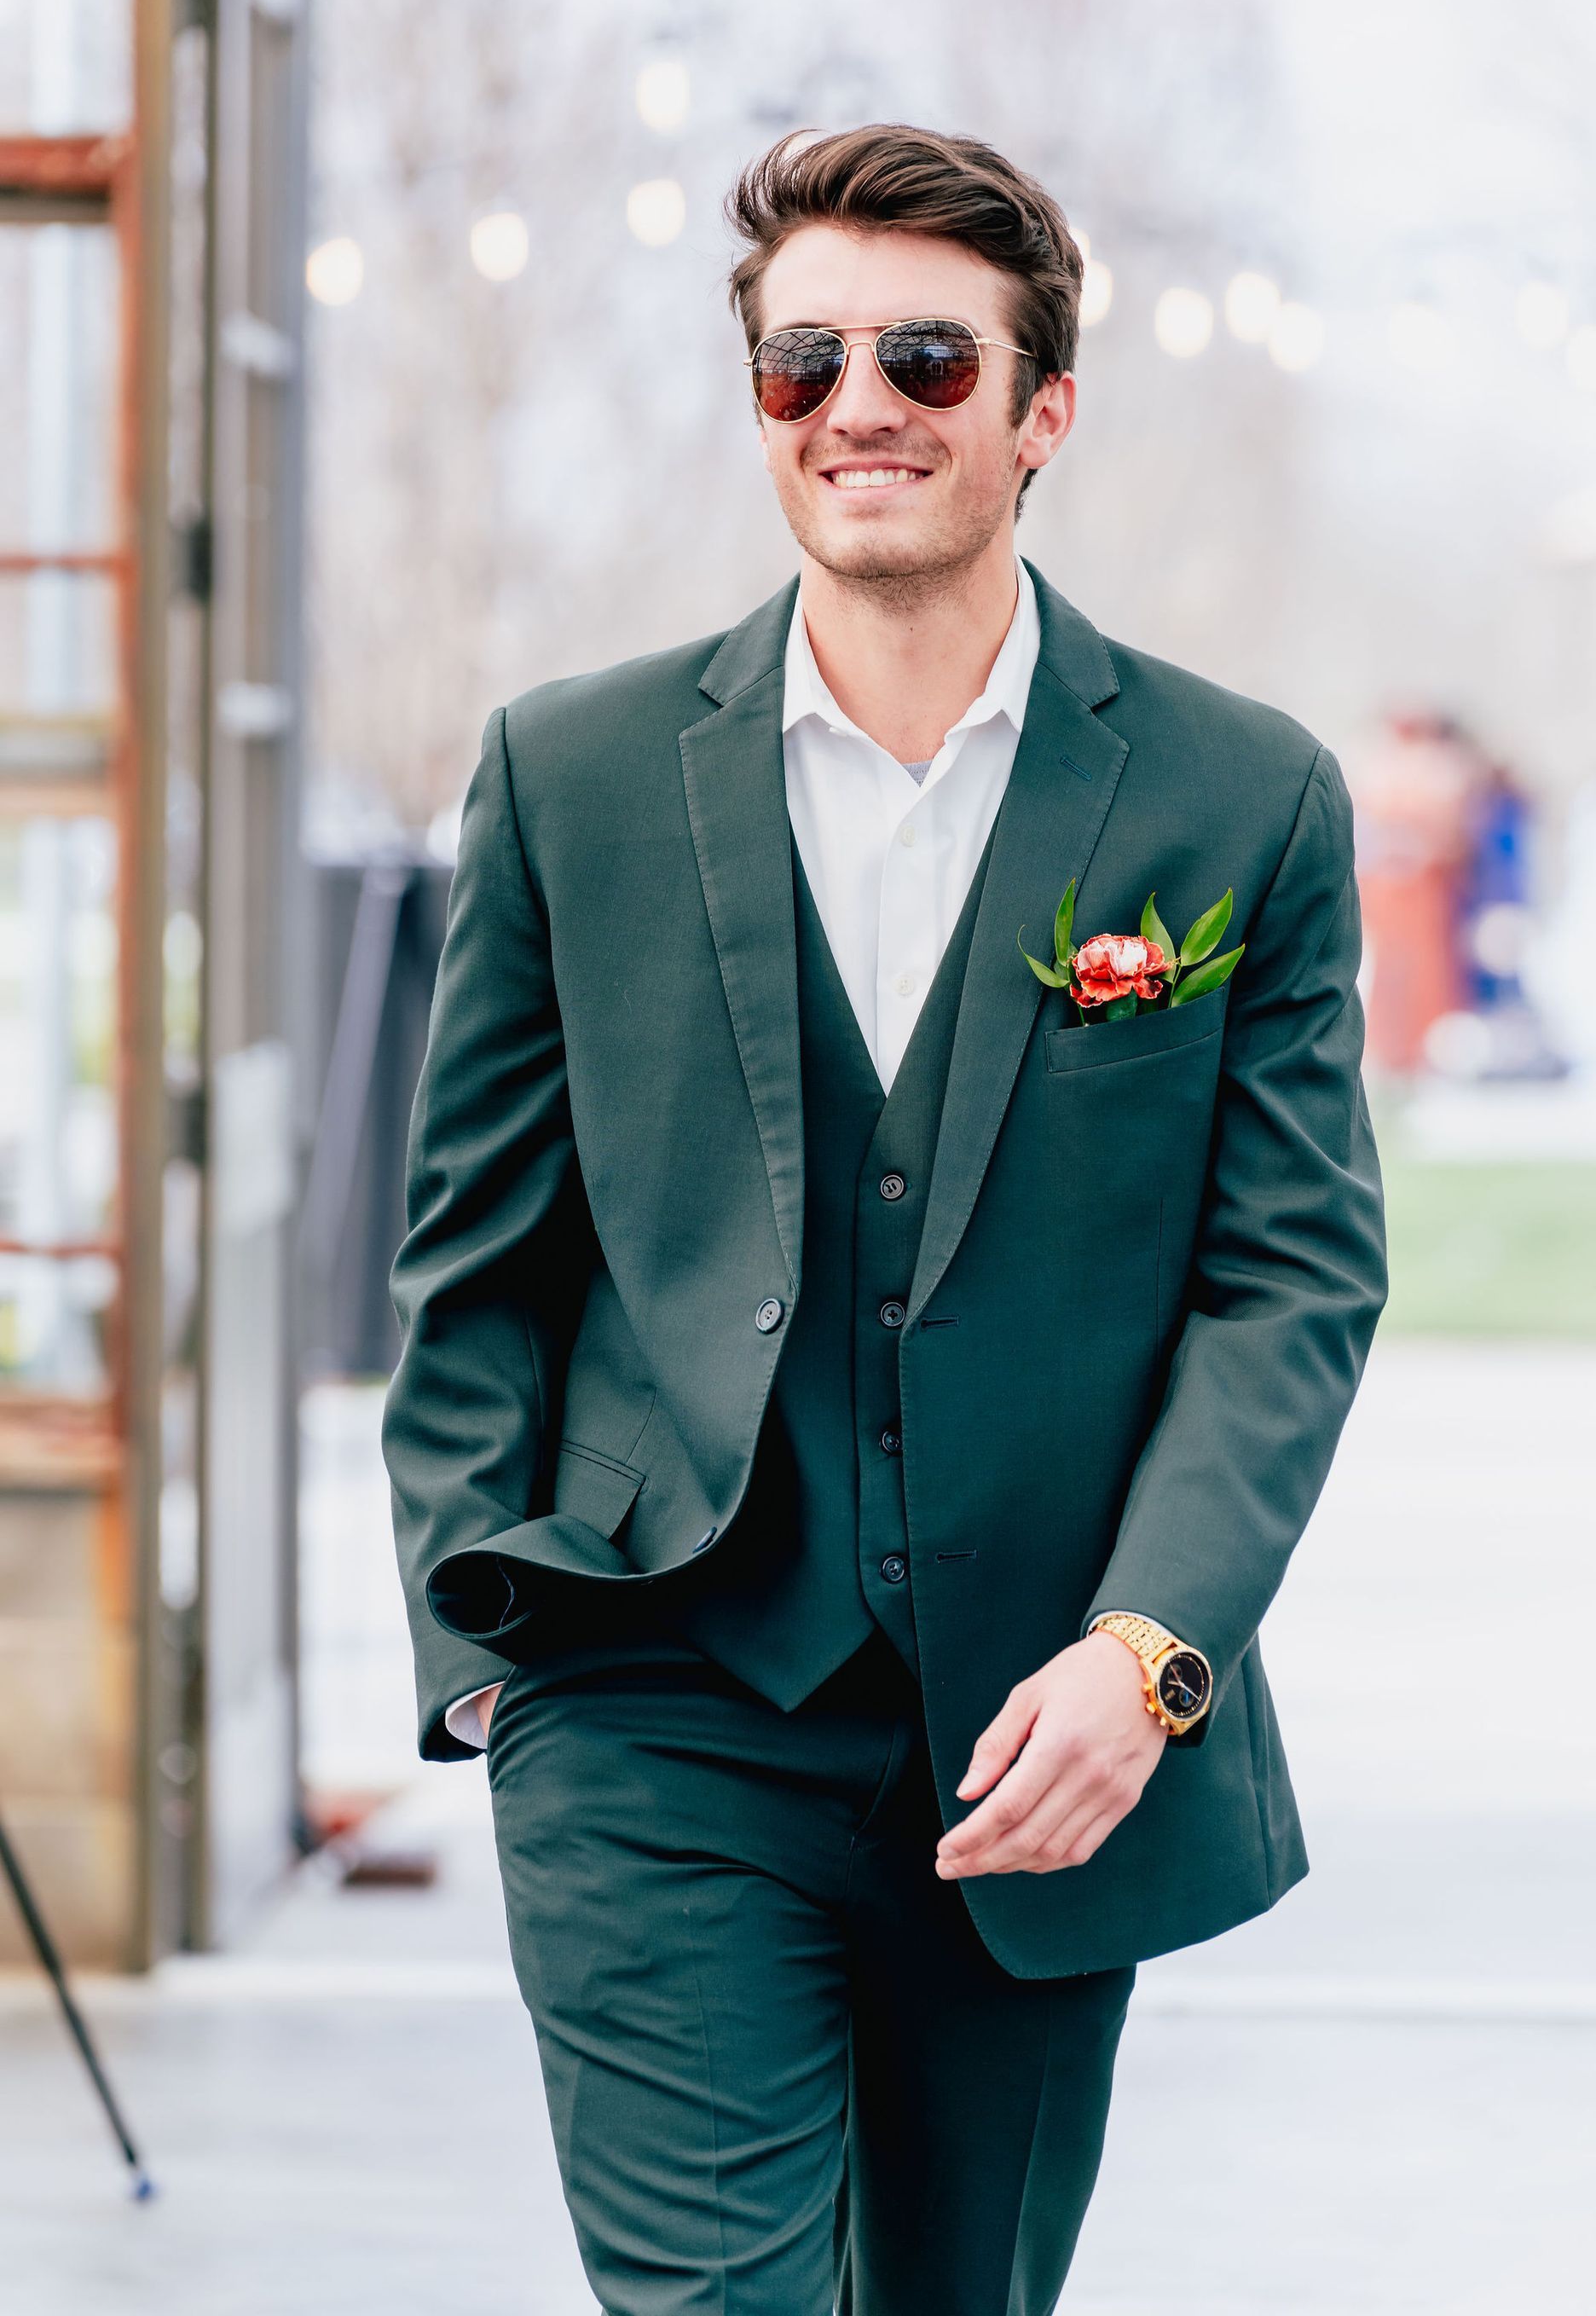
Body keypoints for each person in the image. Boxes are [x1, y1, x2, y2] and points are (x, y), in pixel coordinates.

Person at [384, 123, 1389, 2316]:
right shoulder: (573, 774)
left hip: (1043, 1736)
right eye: (802, 361)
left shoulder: (1239, 797)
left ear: (1042, 413)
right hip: (653, 1701)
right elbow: (478, 1256)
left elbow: (1291, 1279)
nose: (859, 405)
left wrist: (1150, 1658)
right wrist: (488, 1672)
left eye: (928, 358)